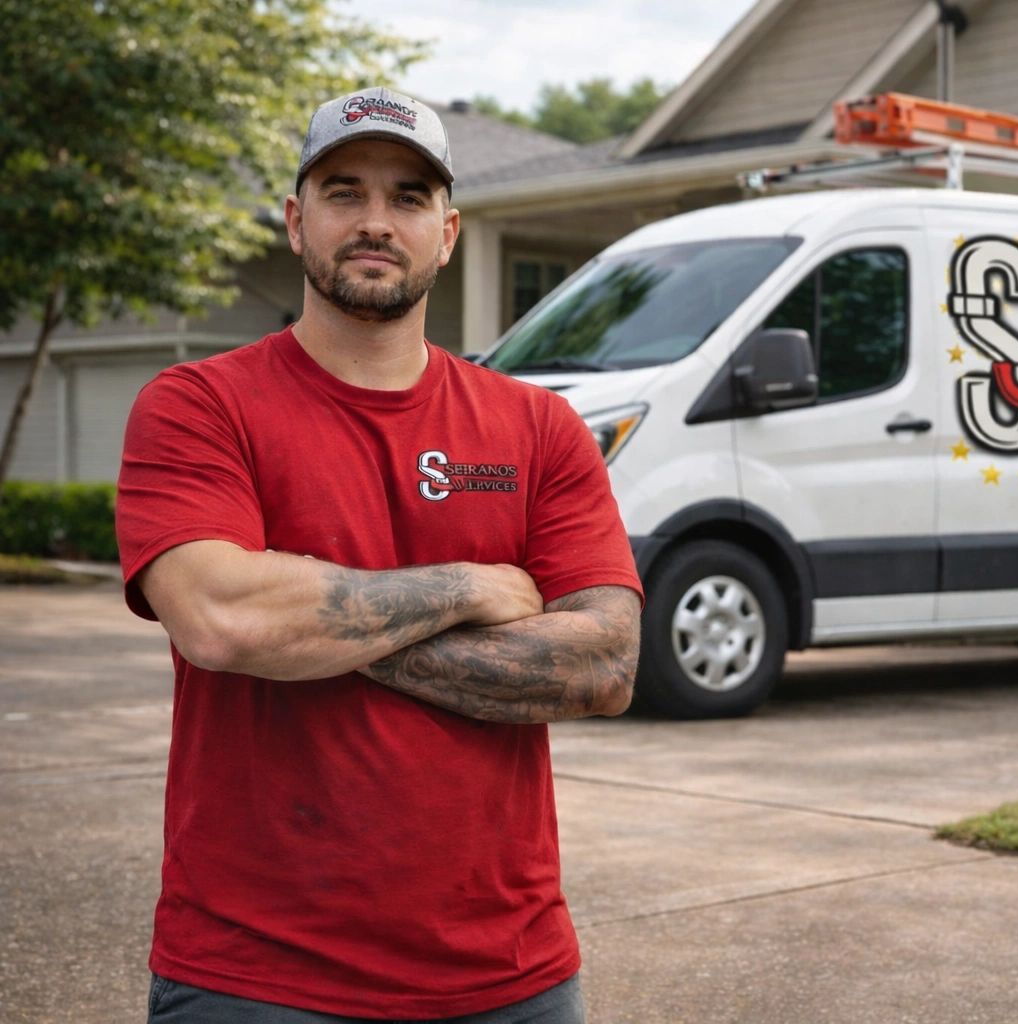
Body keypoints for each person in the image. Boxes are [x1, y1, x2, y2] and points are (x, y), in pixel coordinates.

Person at [116, 86, 642, 1023]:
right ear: (295, 220)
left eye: (407, 197)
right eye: (343, 191)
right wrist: (471, 585)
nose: (374, 221)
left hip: (510, 975)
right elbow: (221, 618)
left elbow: (603, 663)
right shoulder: (197, 407)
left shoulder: (538, 427)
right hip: (253, 975)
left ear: (446, 232)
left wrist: (315, 631)